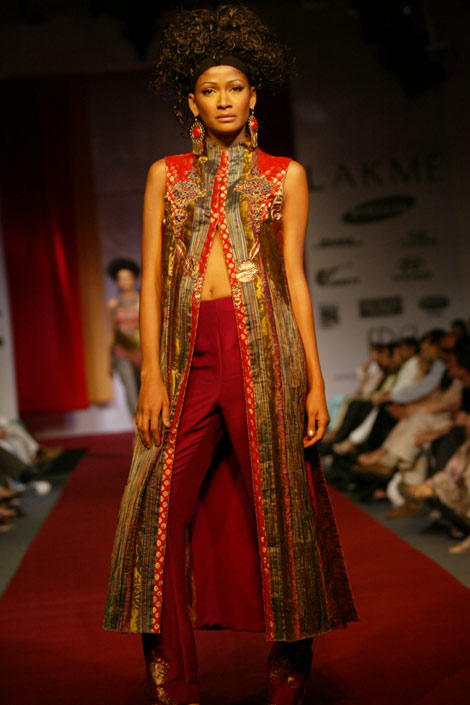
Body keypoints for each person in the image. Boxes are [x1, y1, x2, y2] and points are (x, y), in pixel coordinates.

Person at [103, 6, 358, 705]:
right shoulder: (166, 174)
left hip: (268, 349)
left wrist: (315, 382)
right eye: (210, 89)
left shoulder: (285, 175)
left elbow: (294, 278)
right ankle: (170, 667)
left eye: (235, 88)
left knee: (281, 504)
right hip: (186, 357)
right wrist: (151, 374)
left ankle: (290, 654)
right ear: (192, 101)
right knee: (154, 507)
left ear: (253, 97)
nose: (223, 100)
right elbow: (152, 281)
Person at [107, 258, 142, 417]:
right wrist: (108, 361)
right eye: (121, 278)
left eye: (127, 278)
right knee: (129, 387)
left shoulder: (142, 301)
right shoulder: (113, 304)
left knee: (144, 385)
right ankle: (136, 423)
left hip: (141, 350)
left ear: (134, 279)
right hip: (121, 351)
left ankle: (149, 422)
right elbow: (112, 331)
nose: (124, 281)